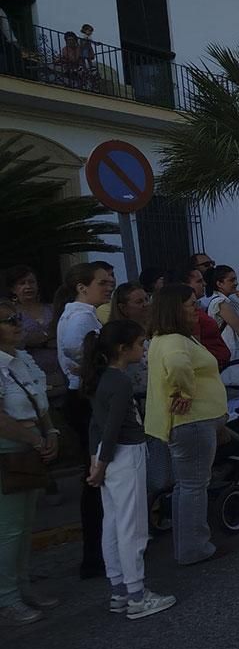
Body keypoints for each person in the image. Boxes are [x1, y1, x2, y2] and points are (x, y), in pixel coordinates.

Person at [81, 320, 176, 619]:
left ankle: (120, 590)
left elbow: (96, 425)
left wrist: (95, 459)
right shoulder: (120, 381)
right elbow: (111, 428)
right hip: (124, 454)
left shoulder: (101, 378)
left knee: (112, 523)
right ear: (123, 349)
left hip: (106, 456)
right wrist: (103, 461)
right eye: (139, 344)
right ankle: (137, 595)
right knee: (132, 527)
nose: (143, 349)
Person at [145, 284, 227, 565]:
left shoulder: (168, 337)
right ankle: (194, 547)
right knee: (194, 485)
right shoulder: (174, 341)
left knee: (186, 485)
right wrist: (186, 392)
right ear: (174, 308)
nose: (197, 308)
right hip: (192, 422)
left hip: (190, 423)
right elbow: (178, 366)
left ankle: (188, 544)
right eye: (191, 304)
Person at [0, 299, 61, 626]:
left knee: (25, 525)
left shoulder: (21, 359)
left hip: (32, 445)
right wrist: (36, 440)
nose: (16, 324)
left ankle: (21, 587)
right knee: (8, 529)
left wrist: (49, 431)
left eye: (16, 318)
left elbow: (39, 400)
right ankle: (7, 598)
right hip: (10, 450)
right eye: (8, 321)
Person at [53, 261, 113, 579]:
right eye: (102, 282)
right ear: (82, 287)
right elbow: (83, 363)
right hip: (86, 401)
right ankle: (96, 555)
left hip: (84, 398)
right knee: (96, 476)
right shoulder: (80, 318)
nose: (109, 286)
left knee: (97, 476)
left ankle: (101, 550)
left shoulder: (82, 314)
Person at [4, 266, 62, 397]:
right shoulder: (11, 314)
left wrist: (39, 340)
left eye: (31, 282)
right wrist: (47, 338)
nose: (28, 286)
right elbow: (18, 342)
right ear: (13, 289)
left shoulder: (52, 309)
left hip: (61, 373)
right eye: (22, 283)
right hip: (31, 376)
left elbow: (61, 334)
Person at [179, 269, 230, 368]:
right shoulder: (190, 313)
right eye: (199, 281)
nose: (204, 284)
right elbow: (196, 345)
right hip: (210, 367)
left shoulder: (198, 308)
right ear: (184, 284)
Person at [205, 265, 239, 362]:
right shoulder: (220, 303)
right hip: (232, 352)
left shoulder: (232, 300)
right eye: (231, 280)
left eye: (236, 279)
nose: (236, 283)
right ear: (219, 284)